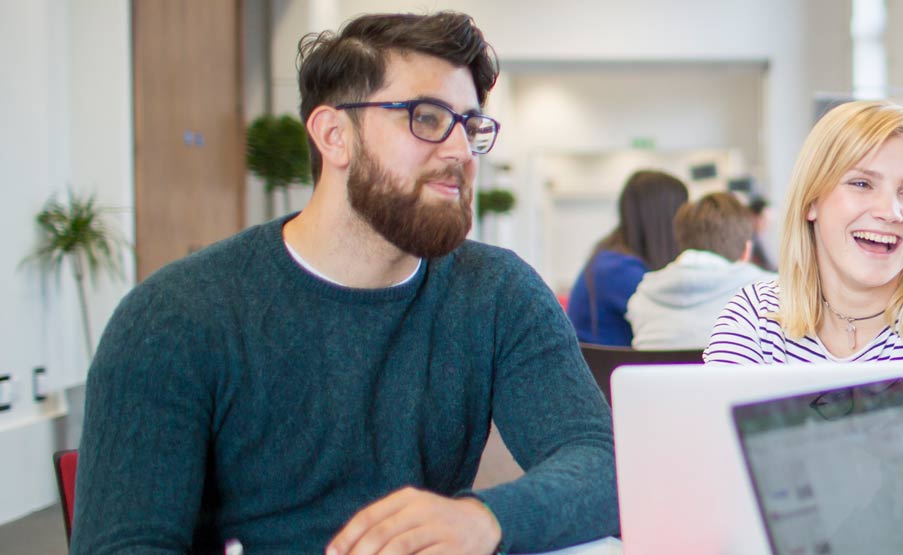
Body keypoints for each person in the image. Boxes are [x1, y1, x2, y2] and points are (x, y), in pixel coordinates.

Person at [71, 12, 617, 555]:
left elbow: (602, 465)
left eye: (470, 127)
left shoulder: (497, 293)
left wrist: (485, 518)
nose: (459, 153)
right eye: (426, 118)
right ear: (335, 136)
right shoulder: (176, 316)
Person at [704, 100, 903, 524]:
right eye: (861, 184)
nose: (890, 212)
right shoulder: (753, 315)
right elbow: (714, 468)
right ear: (812, 201)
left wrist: (794, 465)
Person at [626, 192, 773, 350]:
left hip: (656, 375)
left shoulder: (640, 298)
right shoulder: (770, 293)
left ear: (681, 245)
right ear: (746, 251)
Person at [565, 169, 687, 345]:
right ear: (667, 217)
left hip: (613, 369)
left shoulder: (611, 259)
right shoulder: (618, 270)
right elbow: (679, 323)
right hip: (608, 371)